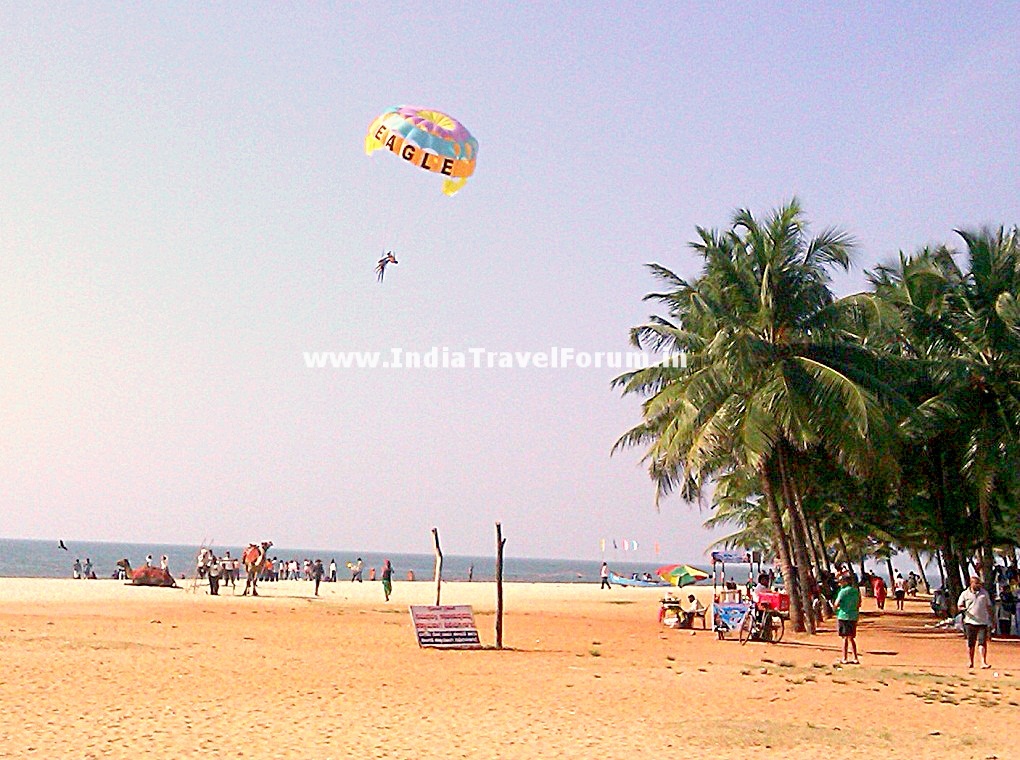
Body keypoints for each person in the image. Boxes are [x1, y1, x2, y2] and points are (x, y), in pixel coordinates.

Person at [958, 575, 993, 669]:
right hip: (969, 622)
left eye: (979, 583)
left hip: (983, 621)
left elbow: (989, 607)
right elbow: (959, 605)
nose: (978, 585)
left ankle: (983, 662)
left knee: (982, 642)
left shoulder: (984, 593)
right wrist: (964, 609)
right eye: (976, 583)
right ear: (971, 583)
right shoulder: (965, 594)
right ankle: (970, 661)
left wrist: (992, 619)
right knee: (971, 643)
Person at [835, 572, 861, 664]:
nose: (839, 583)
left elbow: (836, 604)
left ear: (845, 582)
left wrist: (835, 608)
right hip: (853, 616)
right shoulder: (855, 591)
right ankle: (855, 658)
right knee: (851, 638)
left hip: (843, 616)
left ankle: (844, 658)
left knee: (844, 638)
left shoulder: (843, 591)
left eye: (841, 581)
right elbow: (859, 604)